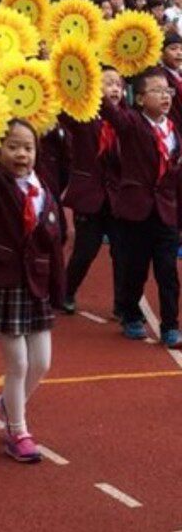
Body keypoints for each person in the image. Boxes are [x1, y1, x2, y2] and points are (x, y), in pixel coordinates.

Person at [0, 119, 64, 463]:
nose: (21, 154)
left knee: (42, 361)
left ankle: (10, 404)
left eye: (28, 147)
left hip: (35, 284)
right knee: (18, 362)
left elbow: (53, 243)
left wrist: (58, 288)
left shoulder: (43, 188)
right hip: (2, 282)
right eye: (12, 146)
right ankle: (18, 431)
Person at [100, 70, 182, 347]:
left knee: (168, 272)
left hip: (165, 213)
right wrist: (92, 83)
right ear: (140, 98)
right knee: (134, 269)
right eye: (157, 90)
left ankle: (170, 325)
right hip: (135, 212)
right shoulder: (132, 123)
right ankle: (131, 315)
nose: (164, 95)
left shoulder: (174, 130)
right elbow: (110, 112)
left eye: (167, 90)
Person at [61, 68, 126, 317]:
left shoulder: (129, 119)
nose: (114, 89)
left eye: (119, 84)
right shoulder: (84, 117)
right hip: (90, 196)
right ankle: (67, 291)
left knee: (122, 252)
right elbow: (64, 114)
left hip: (118, 198)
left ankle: (122, 305)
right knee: (85, 250)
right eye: (108, 83)